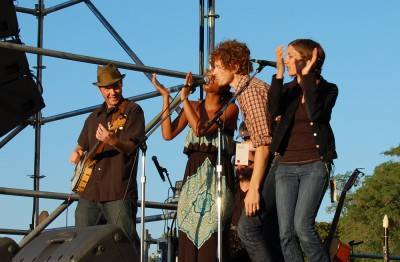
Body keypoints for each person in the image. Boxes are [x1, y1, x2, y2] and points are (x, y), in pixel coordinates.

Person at [151, 71, 238, 262]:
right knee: (189, 232)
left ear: (224, 84)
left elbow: (201, 129)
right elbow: (168, 133)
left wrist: (184, 98)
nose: (208, 78)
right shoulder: (194, 106)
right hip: (192, 179)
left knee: (212, 236)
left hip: (218, 178)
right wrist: (167, 98)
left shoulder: (230, 109)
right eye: (207, 76)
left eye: (214, 76)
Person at [210, 40, 283, 262]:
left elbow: (263, 144)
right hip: (280, 162)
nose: (213, 72)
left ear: (234, 66)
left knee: (248, 229)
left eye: (218, 67)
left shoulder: (249, 91)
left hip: (279, 162)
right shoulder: (248, 89)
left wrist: (254, 189)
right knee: (270, 233)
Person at [269, 39, 338, 262]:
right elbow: (272, 109)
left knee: (302, 227)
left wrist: (307, 76)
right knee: (285, 234)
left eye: (290, 56)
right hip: (285, 166)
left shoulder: (328, 89)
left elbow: (315, 113)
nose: (286, 60)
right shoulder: (288, 90)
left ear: (307, 60)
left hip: (314, 165)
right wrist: (279, 74)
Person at [69, 64, 145, 248]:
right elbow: (81, 145)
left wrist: (113, 140)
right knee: (82, 244)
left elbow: (132, 146)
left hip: (118, 191)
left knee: (124, 243)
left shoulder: (133, 111)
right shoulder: (93, 117)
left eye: (116, 86)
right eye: (107, 88)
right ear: (100, 89)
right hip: (90, 192)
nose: (112, 92)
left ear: (121, 85)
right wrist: (77, 153)